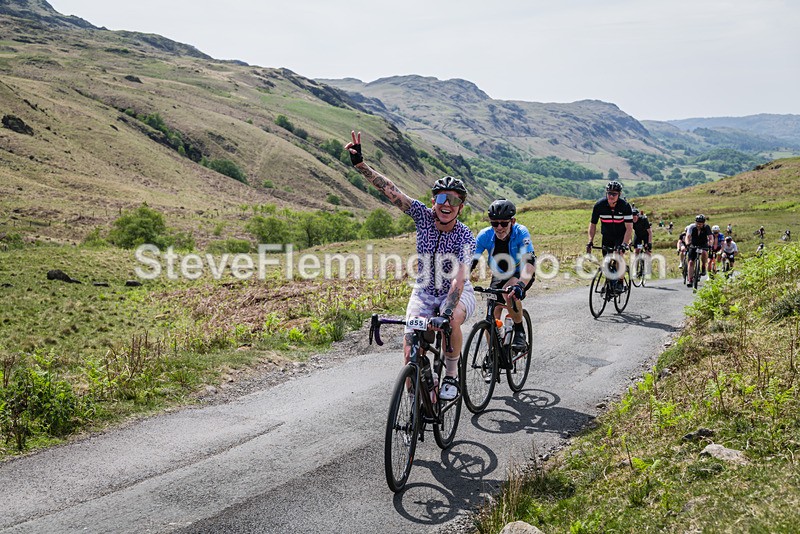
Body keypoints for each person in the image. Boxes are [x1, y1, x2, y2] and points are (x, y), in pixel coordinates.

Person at [346, 131, 475, 401]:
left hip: (458, 293)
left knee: (449, 322)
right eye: (441, 199)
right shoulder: (421, 216)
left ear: (460, 207)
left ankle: (451, 374)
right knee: (410, 355)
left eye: (453, 200)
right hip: (425, 290)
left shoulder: (465, 236)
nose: (446, 205)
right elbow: (390, 190)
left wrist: (446, 312)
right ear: (433, 202)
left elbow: (459, 280)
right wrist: (360, 165)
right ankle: (420, 400)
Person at [471, 199, 536, 350]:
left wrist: (520, 284)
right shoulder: (484, 236)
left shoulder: (521, 232)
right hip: (499, 274)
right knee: (492, 314)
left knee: (509, 292)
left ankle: (519, 331)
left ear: (512, 221)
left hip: (521, 273)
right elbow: (470, 262)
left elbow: (529, 262)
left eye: (504, 223)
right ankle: (493, 354)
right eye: (495, 223)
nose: (499, 227)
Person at [587, 181, 633, 292]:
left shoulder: (625, 206)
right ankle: (609, 283)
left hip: (620, 236)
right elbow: (593, 225)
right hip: (607, 236)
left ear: (619, 195)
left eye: (614, 194)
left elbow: (629, 228)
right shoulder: (599, 205)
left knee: (618, 256)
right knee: (606, 261)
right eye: (609, 193)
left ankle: (620, 282)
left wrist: (624, 244)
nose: (611, 196)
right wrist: (590, 241)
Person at [685, 214, 713, 287]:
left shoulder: (707, 227)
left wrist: (710, 244)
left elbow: (710, 237)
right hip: (693, 244)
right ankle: (690, 279)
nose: (699, 225)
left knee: (704, 252)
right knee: (691, 262)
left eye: (700, 224)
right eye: (697, 223)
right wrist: (687, 243)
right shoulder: (691, 227)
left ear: (703, 223)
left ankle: (703, 265)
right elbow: (688, 236)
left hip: (703, 244)